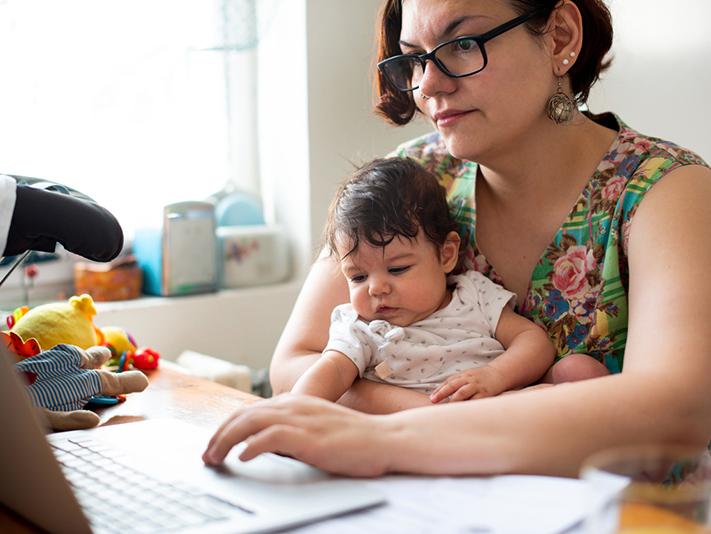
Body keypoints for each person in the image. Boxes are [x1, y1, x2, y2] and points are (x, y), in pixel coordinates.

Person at [203, 0, 711, 478]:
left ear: (559, 37)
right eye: (414, 59)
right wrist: (449, 415)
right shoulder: (417, 178)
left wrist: (388, 435)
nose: (429, 85)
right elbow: (294, 364)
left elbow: (674, 412)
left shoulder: (666, 190)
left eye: (463, 44)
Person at [291, 157, 556, 403]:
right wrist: (294, 410)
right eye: (358, 276)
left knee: (577, 370)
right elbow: (332, 372)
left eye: (397, 269)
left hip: (499, 409)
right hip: (419, 431)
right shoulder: (361, 329)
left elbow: (532, 341)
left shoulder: (473, 294)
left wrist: (496, 375)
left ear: (446, 254)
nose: (376, 288)